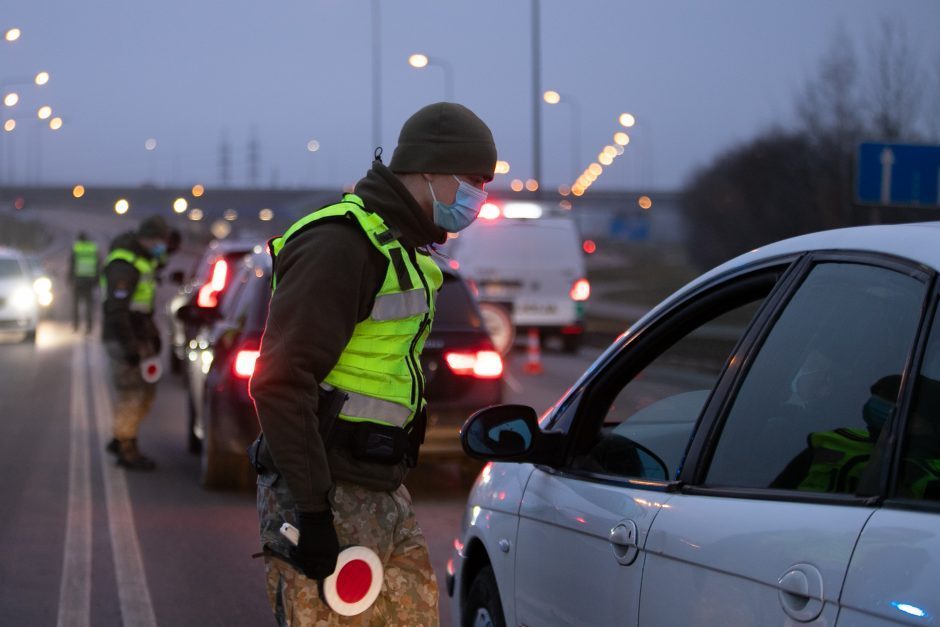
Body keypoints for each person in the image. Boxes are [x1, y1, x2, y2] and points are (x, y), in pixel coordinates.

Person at [249, 102, 496, 625]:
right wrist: (313, 514)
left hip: (380, 490)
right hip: (328, 496)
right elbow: (281, 381)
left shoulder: (402, 248)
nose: (479, 197)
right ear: (429, 169)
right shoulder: (341, 244)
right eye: (473, 181)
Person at [101, 215, 173, 470]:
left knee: (146, 392)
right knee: (131, 394)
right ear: (148, 238)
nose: (162, 247)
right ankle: (126, 449)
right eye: (160, 241)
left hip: (138, 337)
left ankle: (121, 437)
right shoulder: (124, 266)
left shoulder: (143, 260)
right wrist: (130, 347)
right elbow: (117, 312)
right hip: (124, 339)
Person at [69, 231, 99, 332]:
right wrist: (96, 279)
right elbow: (98, 265)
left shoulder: (76, 248)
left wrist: (70, 279)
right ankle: (89, 326)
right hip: (89, 281)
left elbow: (72, 265)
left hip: (78, 281)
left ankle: (76, 326)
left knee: (76, 305)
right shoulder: (92, 248)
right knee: (88, 305)